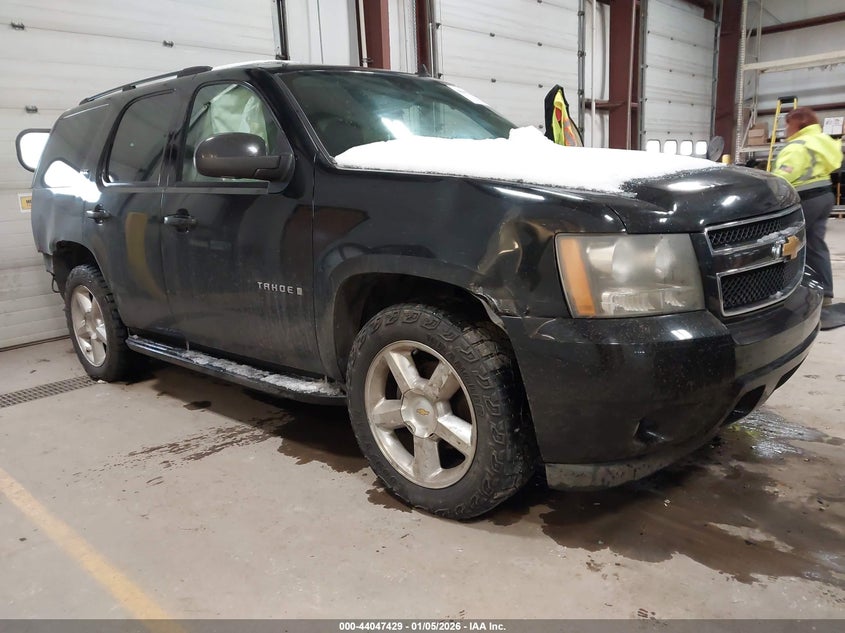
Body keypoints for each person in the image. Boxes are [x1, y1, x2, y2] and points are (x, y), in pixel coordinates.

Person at [773, 107, 842, 306]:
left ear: (797, 125)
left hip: (805, 199)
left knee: (784, 244)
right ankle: (826, 293)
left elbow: (782, 177)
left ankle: (780, 292)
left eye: (787, 125)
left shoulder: (797, 146)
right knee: (815, 245)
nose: (785, 130)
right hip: (825, 196)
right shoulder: (821, 141)